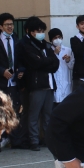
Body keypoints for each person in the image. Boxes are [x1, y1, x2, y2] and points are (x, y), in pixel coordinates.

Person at [0, 13, 26, 150]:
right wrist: (1, 71)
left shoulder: (15, 39)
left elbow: (20, 59)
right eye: (7, 25)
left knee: (14, 111)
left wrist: (20, 70)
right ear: (0, 26)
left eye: (11, 24)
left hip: (14, 82)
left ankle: (15, 141)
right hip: (0, 81)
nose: (10, 27)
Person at [19, 17, 59, 152]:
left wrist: (44, 61)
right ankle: (34, 140)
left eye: (42, 30)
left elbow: (55, 63)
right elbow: (35, 63)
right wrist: (46, 61)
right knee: (34, 113)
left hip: (49, 83)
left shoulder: (46, 45)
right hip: (36, 84)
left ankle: (47, 139)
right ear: (30, 32)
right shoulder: (26, 45)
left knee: (48, 114)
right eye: (38, 31)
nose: (41, 33)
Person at [50, 28, 74, 106]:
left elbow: (71, 66)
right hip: (54, 85)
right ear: (51, 40)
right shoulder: (48, 51)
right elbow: (48, 65)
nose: (58, 39)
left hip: (66, 85)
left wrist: (68, 61)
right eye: (55, 38)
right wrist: (54, 54)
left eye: (59, 37)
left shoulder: (68, 50)